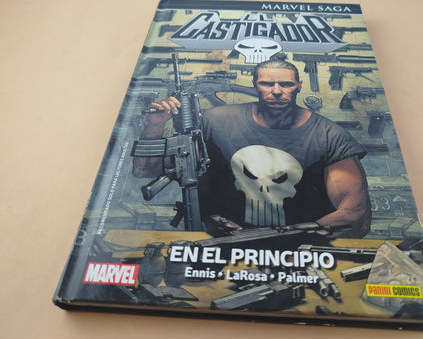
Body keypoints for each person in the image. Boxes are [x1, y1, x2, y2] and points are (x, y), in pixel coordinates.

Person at [133, 59, 371, 237]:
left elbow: (356, 216)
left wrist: (279, 238)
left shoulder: (328, 135)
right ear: (255, 85)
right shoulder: (213, 121)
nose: (276, 91)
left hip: (298, 250)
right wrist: (155, 126)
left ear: (298, 86)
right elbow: (145, 170)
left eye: (286, 84)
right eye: (267, 83)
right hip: (215, 243)